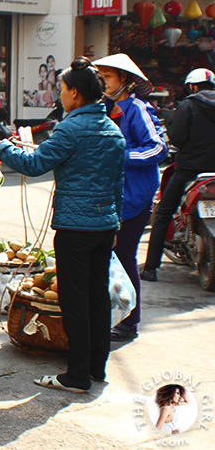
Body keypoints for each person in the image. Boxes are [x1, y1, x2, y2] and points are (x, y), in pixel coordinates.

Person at [0, 57, 125, 393]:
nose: (59, 94)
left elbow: (34, 164)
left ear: (75, 93)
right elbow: (118, 183)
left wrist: (1, 146)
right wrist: (116, 224)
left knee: (74, 300)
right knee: (97, 297)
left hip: (76, 230)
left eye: (62, 89)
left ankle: (75, 376)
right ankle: (95, 368)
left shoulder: (71, 128)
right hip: (104, 226)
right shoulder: (111, 129)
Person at [93, 53, 166, 341]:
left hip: (135, 196)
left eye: (108, 77)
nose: (103, 83)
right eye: (101, 78)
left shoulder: (137, 109)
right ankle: (114, 314)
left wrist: (120, 156)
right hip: (112, 197)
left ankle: (129, 322)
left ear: (124, 79)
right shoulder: (105, 108)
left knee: (124, 257)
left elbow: (157, 149)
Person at [142, 68, 215, 281]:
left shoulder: (189, 105)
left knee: (163, 214)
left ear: (192, 86)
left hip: (189, 170)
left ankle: (150, 269)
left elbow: (177, 139)